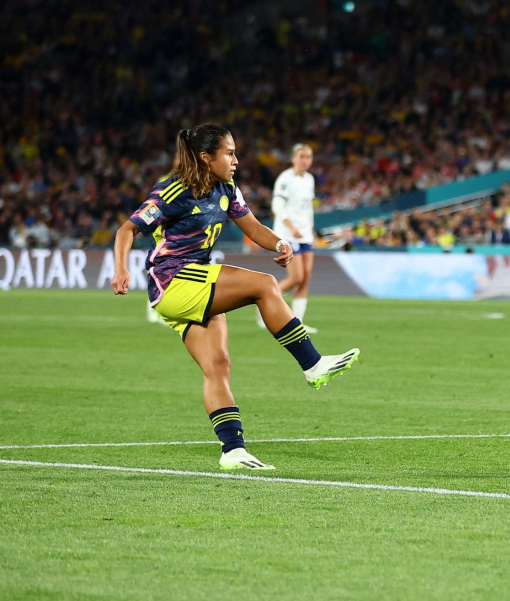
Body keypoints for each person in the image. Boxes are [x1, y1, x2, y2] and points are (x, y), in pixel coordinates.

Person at [110, 124, 360, 471]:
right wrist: (120, 269)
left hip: (194, 286)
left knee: (218, 367)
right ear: (205, 157)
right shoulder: (173, 190)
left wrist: (279, 243)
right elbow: (127, 229)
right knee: (265, 285)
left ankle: (233, 450)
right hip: (174, 281)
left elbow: (253, 226)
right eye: (229, 153)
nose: (236, 160)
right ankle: (312, 363)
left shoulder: (227, 188)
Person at [270, 143, 319, 332]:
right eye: (302, 156)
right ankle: (266, 300)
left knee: (305, 278)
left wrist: (311, 229)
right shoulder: (285, 179)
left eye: (308, 157)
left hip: (306, 234)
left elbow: (308, 208)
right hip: (288, 234)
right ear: (293, 158)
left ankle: (298, 322)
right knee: (296, 277)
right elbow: (277, 205)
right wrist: (291, 226)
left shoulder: (309, 179)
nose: (305, 160)